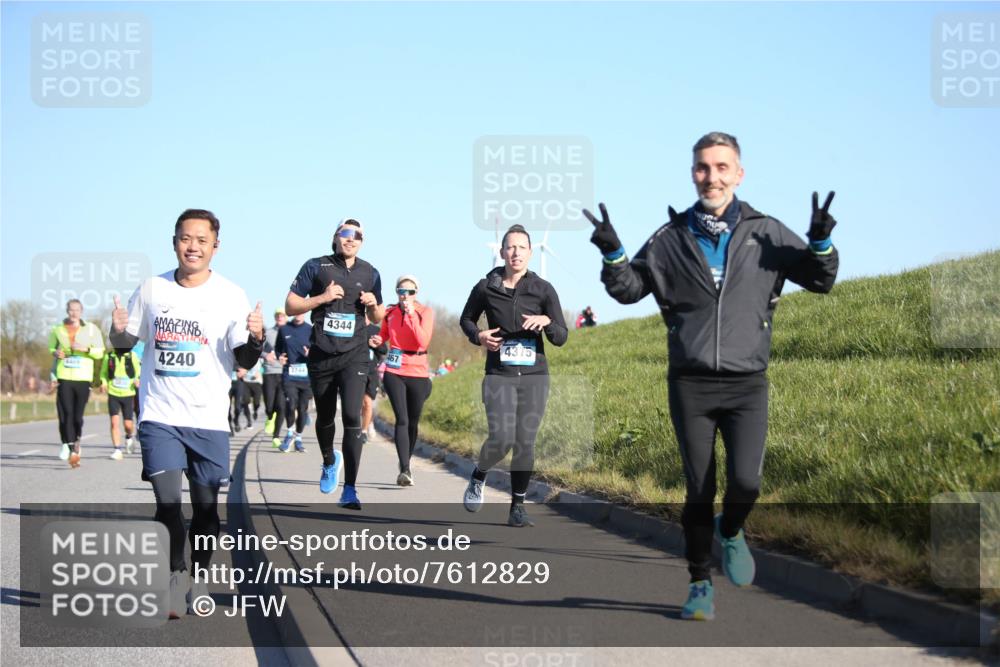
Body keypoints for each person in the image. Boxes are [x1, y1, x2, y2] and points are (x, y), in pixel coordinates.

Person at [584, 132, 839, 621]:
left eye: (722, 167)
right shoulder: (669, 238)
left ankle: (732, 529)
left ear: (738, 174)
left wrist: (822, 242)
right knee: (699, 487)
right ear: (693, 173)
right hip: (691, 383)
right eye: (703, 167)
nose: (712, 176)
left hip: (748, 381)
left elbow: (819, 278)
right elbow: (629, 289)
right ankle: (700, 582)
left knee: (747, 481)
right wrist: (614, 254)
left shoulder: (766, 231)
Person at [110, 208, 264, 618]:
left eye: (201, 240)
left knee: (207, 508)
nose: (192, 246)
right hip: (159, 414)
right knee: (165, 501)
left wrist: (258, 337)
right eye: (184, 238)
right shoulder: (151, 289)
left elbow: (244, 356)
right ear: (174, 242)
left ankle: (199, 575)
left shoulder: (231, 295)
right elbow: (125, 344)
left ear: (215, 246)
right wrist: (117, 329)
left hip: (209, 418)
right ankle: (176, 574)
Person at [459, 224, 568, 527]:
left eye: (522, 247)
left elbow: (561, 336)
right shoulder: (486, 286)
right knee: (502, 437)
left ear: (530, 253)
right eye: (510, 246)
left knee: (525, 442)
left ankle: (517, 506)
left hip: (535, 376)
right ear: (502, 251)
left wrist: (547, 321)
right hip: (499, 373)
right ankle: (480, 473)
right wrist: (478, 336)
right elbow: (466, 319)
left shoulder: (543, 289)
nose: (516, 252)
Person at [284, 218, 384, 510]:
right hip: (322, 354)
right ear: (336, 237)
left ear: (362, 242)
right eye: (345, 233)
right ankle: (329, 460)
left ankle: (350, 489)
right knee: (325, 417)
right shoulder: (316, 266)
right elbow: (291, 305)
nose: (351, 239)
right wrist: (323, 297)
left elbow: (378, 318)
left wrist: (372, 305)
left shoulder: (370, 272)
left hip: (355, 354)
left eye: (357, 236)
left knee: (353, 417)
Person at [369, 275, 434, 486]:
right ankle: (405, 467)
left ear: (417, 294)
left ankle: (406, 459)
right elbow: (384, 336)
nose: (405, 296)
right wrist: (378, 340)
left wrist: (412, 314)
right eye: (401, 291)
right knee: (402, 419)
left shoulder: (425, 312)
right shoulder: (390, 313)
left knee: (413, 422)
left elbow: (422, 340)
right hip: (395, 370)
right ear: (397, 293)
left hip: (418, 370)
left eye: (410, 292)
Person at [48, 299, 105, 467]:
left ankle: (76, 441)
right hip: (64, 375)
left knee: (77, 417)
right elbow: (51, 348)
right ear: (67, 311)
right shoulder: (57, 329)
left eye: (77, 310)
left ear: (81, 311)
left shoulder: (91, 329)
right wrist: (56, 353)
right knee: (66, 414)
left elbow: (100, 352)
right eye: (71, 310)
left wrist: (85, 349)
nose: (74, 313)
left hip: (83, 377)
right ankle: (70, 446)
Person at [273, 312, 312, 453]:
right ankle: (289, 434)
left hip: (306, 377)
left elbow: (318, 350)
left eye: (302, 311)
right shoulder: (284, 329)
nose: (299, 314)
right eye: (296, 310)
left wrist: (310, 355)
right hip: (289, 375)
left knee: (302, 409)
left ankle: (299, 438)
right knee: (291, 405)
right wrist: (279, 357)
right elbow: (277, 348)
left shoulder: (310, 329)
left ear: (306, 312)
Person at [99, 346, 141, 459]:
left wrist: (137, 379)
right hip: (113, 393)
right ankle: (117, 450)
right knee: (114, 422)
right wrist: (103, 383)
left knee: (128, 425)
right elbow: (103, 373)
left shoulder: (132, 356)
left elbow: (138, 371)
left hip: (128, 394)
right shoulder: (109, 356)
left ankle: (129, 436)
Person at [262, 310, 288, 446]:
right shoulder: (269, 333)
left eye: (282, 315)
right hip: (269, 372)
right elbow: (257, 348)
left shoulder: (291, 331)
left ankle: (276, 437)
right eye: (277, 316)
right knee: (270, 405)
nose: (280, 317)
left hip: (285, 373)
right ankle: (270, 416)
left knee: (281, 406)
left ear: (286, 317)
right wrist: (265, 355)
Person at [361, 315, 388, 441]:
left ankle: (364, 431)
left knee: (367, 402)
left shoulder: (376, 330)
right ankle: (365, 424)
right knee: (357, 405)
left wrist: (376, 345)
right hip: (354, 372)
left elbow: (384, 350)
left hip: (371, 373)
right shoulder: (354, 329)